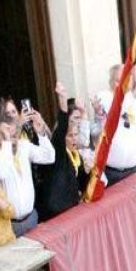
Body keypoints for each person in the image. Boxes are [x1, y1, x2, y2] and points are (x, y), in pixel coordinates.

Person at [0, 110, 55, 236]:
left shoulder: (22, 145)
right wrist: (6, 142)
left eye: (15, 134)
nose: (14, 139)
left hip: (31, 218)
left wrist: (41, 133)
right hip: (8, 224)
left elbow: (49, 157)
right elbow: (2, 172)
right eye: (9, 134)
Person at [36, 82, 90, 220]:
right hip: (55, 215)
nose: (74, 139)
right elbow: (60, 130)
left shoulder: (76, 155)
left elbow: (83, 186)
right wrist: (63, 104)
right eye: (70, 136)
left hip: (71, 212)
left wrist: (89, 172)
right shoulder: (58, 154)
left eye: (76, 135)